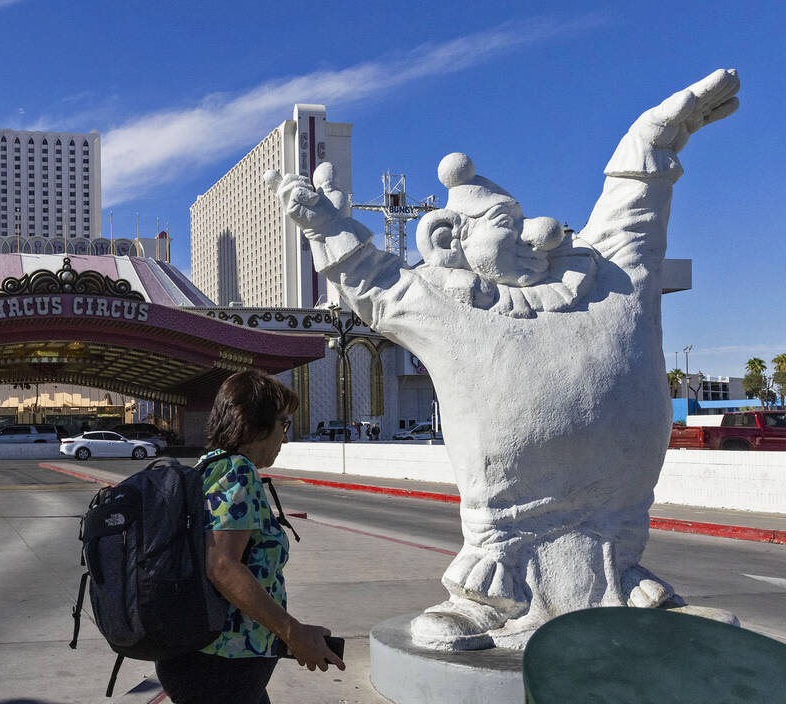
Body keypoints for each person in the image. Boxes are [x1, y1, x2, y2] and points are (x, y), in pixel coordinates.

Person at [268, 70, 739, 649]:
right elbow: (374, 282)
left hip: (616, 523)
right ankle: (489, 598)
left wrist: (649, 143)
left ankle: (618, 582)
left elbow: (634, 211)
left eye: (526, 221)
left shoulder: (607, 273)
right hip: (510, 530)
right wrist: (325, 224)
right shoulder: (444, 303)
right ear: (451, 242)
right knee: (492, 575)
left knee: (618, 559)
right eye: (505, 225)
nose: (537, 234)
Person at [148, 369, 344, 704]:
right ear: (255, 426)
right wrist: (294, 634)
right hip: (224, 665)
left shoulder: (207, 468)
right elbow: (222, 566)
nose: (285, 438)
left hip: (223, 660)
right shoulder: (238, 473)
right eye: (282, 425)